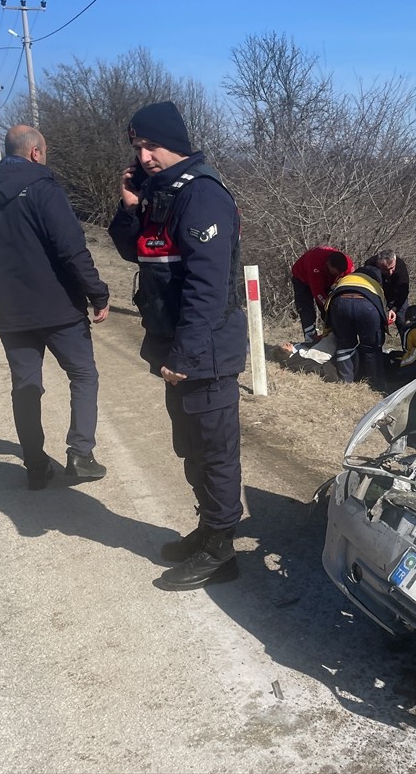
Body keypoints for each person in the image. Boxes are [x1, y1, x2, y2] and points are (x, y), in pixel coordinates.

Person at [107, 101, 247, 592]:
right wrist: (129, 205)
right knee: (190, 447)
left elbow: (207, 290)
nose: (144, 156)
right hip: (177, 346)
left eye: (152, 145)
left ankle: (221, 550)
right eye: (137, 148)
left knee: (214, 450)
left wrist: (185, 357)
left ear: (177, 144)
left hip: (205, 352)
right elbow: (133, 250)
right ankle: (209, 529)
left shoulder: (201, 195)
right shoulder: (160, 193)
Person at [0, 125, 110, 490]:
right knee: (83, 375)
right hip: (58, 307)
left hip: (11, 311)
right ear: (35, 153)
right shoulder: (44, 188)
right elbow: (71, 249)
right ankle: (80, 453)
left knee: (26, 386)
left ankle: (35, 465)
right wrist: (97, 293)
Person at [326, 265, 387, 391]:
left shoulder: (346, 279)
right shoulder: (375, 285)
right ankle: (376, 385)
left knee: (344, 345)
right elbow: (382, 311)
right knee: (371, 347)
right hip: (367, 305)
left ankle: (346, 381)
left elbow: (329, 298)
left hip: (339, 303)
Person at [291, 247, 353, 342]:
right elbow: (318, 293)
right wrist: (329, 306)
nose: (338, 275)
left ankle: (335, 334)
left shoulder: (348, 265)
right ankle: (310, 337)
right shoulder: (315, 264)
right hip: (302, 278)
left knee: (333, 306)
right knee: (306, 308)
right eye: (335, 273)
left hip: (327, 279)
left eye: (340, 274)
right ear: (328, 264)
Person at [363, 248, 410, 326]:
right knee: (376, 322)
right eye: (385, 269)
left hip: (397, 295)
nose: (390, 272)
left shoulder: (400, 266)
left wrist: (394, 309)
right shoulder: (370, 264)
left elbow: (404, 291)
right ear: (378, 265)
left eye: (392, 268)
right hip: (377, 295)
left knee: (402, 321)